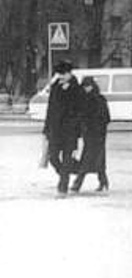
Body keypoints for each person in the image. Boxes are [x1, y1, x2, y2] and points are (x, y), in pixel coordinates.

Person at [43, 61, 86, 197]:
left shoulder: (77, 89)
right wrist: (46, 128)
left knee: (67, 159)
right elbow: (50, 109)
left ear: (69, 74)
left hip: (70, 131)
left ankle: (63, 187)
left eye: (63, 74)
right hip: (55, 130)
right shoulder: (55, 87)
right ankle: (69, 172)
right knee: (53, 158)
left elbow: (81, 111)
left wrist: (78, 129)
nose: (60, 77)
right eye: (59, 74)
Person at [71, 76, 110, 192]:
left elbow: (106, 117)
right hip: (89, 134)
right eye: (85, 86)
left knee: (89, 158)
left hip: (97, 134)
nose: (86, 89)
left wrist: (96, 126)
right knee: (96, 158)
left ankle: (78, 183)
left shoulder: (99, 99)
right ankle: (103, 181)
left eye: (88, 86)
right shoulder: (82, 100)